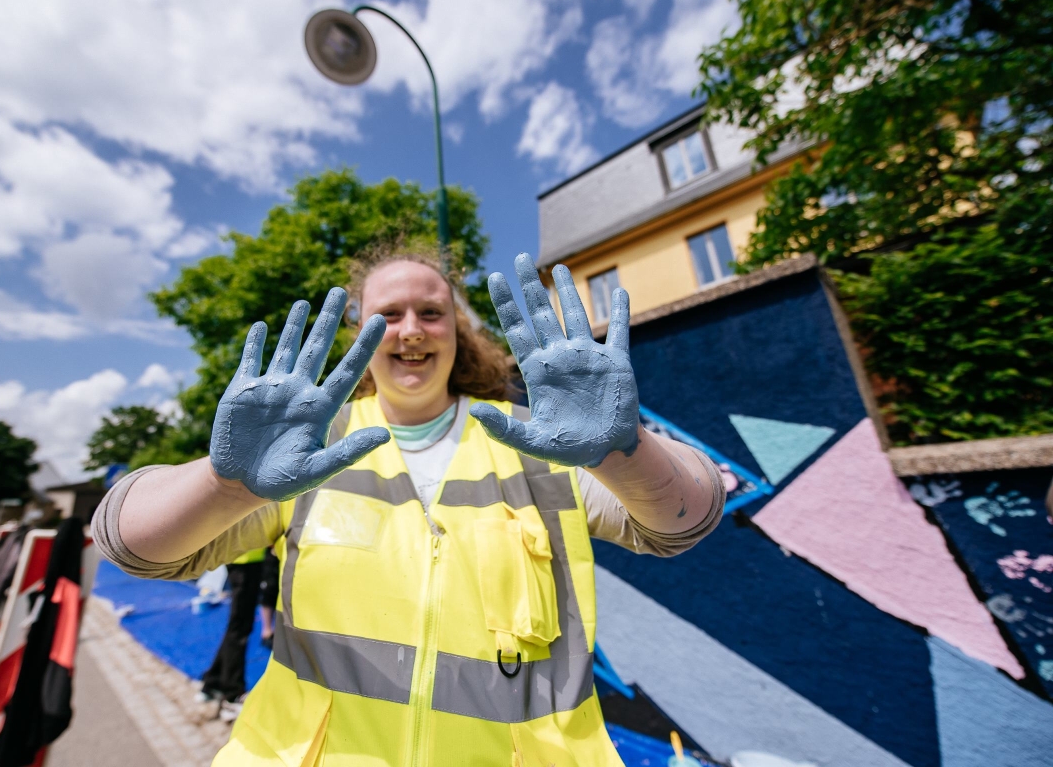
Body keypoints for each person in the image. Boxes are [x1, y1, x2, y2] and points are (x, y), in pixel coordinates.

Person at [93, 244, 725, 766]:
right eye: (389, 314)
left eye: (432, 311)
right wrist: (227, 486)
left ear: (459, 330)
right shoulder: (308, 450)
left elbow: (686, 520)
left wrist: (622, 450)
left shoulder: (542, 442)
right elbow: (133, 545)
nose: (412, 330)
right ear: (360, 332)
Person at [197, 547, 280, 722]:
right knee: (240, 627)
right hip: (246, 558)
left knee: (239, 625)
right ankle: (232, 694)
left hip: (243, 556)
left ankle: (212, 682)